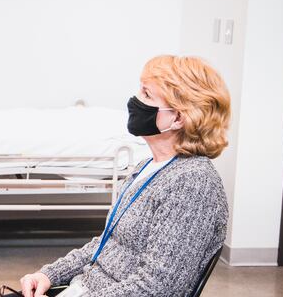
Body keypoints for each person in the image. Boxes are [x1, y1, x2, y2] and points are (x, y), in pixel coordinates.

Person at [18, 55, 230, 297]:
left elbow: (158, 288)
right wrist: (49, 274)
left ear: (179, 118)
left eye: (147, 95)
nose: (135, 102)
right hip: (85, 288)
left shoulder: (193, 184)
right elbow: (107, 245)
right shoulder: (147, 167)